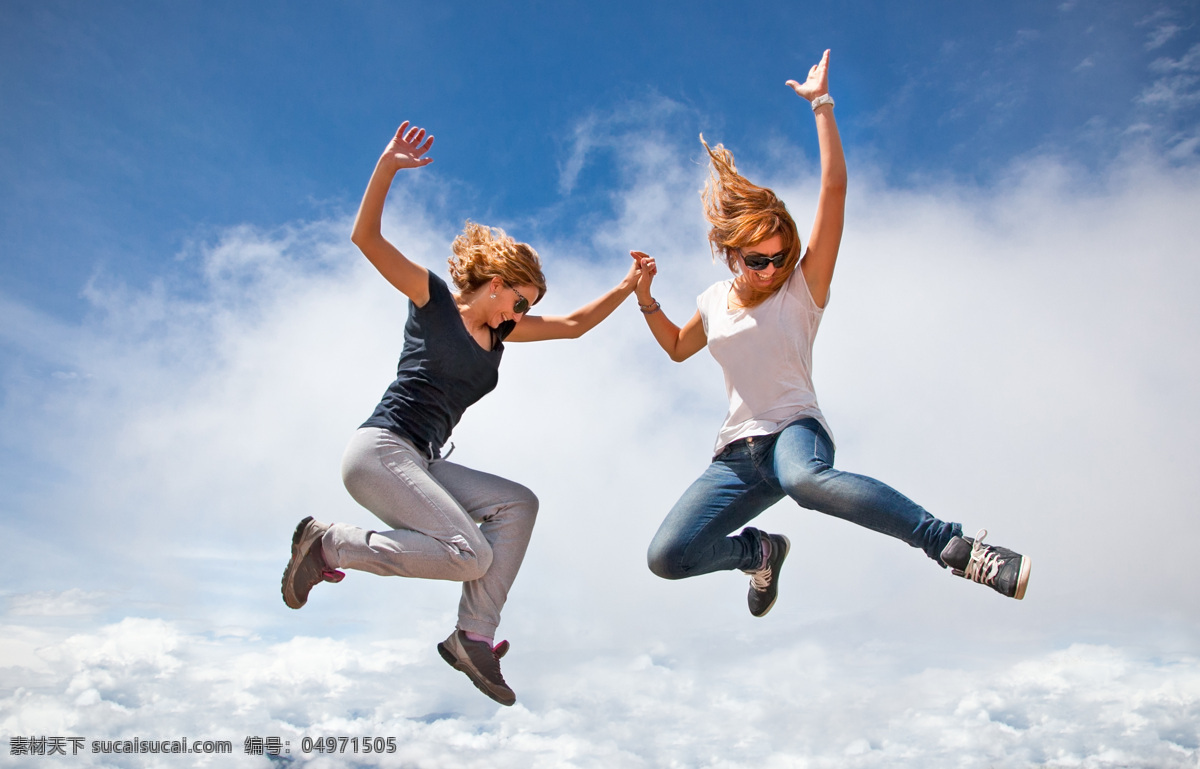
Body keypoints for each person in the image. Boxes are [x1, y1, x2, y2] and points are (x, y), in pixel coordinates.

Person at [631, 50, 1030, 620]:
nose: (770, 269)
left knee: (805, 480)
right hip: (736, 456)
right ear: (731, 252)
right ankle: (759, 552)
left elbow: (834, 193)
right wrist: (645, 297)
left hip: (796, 430)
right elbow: (675, 348)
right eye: (757, 260)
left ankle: (954, 546)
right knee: (667, 556)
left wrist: (821, 105)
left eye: (778, 257)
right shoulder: (713, 301)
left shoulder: (801, 289)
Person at [281, 121, 644, 706]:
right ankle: (330, 544)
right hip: (380, 451)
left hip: (421, 462)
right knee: (468, 555)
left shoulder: (499, 337)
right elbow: (365, 238)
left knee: (517, 503)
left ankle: (473, 636)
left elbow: (574, 326)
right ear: (498, 284)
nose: (522, 314)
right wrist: (387, 168)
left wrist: (629, 285)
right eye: (522, 302)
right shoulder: (432, 299)